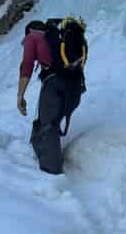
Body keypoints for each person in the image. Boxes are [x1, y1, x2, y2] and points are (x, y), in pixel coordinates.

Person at [17, 15, 88, 174]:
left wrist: (20, 96)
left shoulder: (32, 37)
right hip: (75, 89)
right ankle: (41, 153)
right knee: (49, 123)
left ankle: (51, 176)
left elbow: (27, 65)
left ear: (29, 30)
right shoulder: (63, 37)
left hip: (55, 87)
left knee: (48, 126)